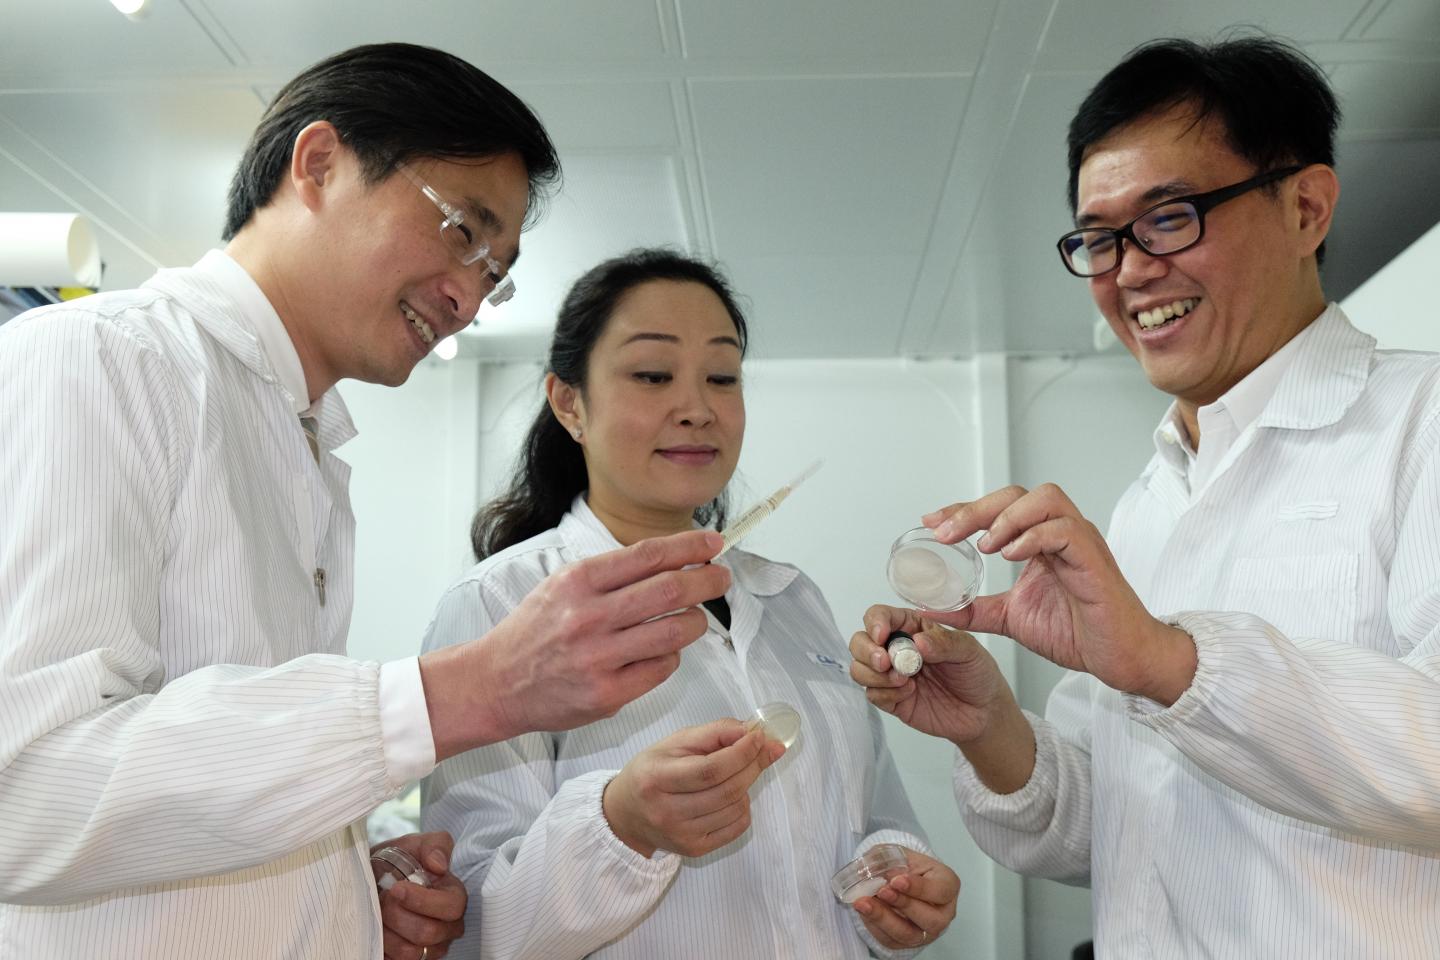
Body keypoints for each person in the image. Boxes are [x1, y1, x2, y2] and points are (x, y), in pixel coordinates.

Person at [0, 44, 733, 959]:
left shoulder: (300, 441)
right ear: (318, 164)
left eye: (494, 272)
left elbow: (184, 789)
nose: (468, 297)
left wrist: (338, 881)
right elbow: (25, 788)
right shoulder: (101, 360)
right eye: (461, 231)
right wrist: (459, 694)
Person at [848, 35, 1440, 956]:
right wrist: (989, 724)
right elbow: (1110, 831)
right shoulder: (1147, 502)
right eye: (1099, 239)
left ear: (1306, 207)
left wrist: (1170, 662)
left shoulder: (1421, 421)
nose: (1127, 271)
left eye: (1170, 218)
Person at [419, 249, 960, 959]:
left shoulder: (792, 598)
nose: (699, 409)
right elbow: (472, 922)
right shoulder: (498, 604)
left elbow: (872, 814)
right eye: (652, 375)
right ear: (569, 403)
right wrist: (621, 826)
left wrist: (892, 876)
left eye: (722, 377)